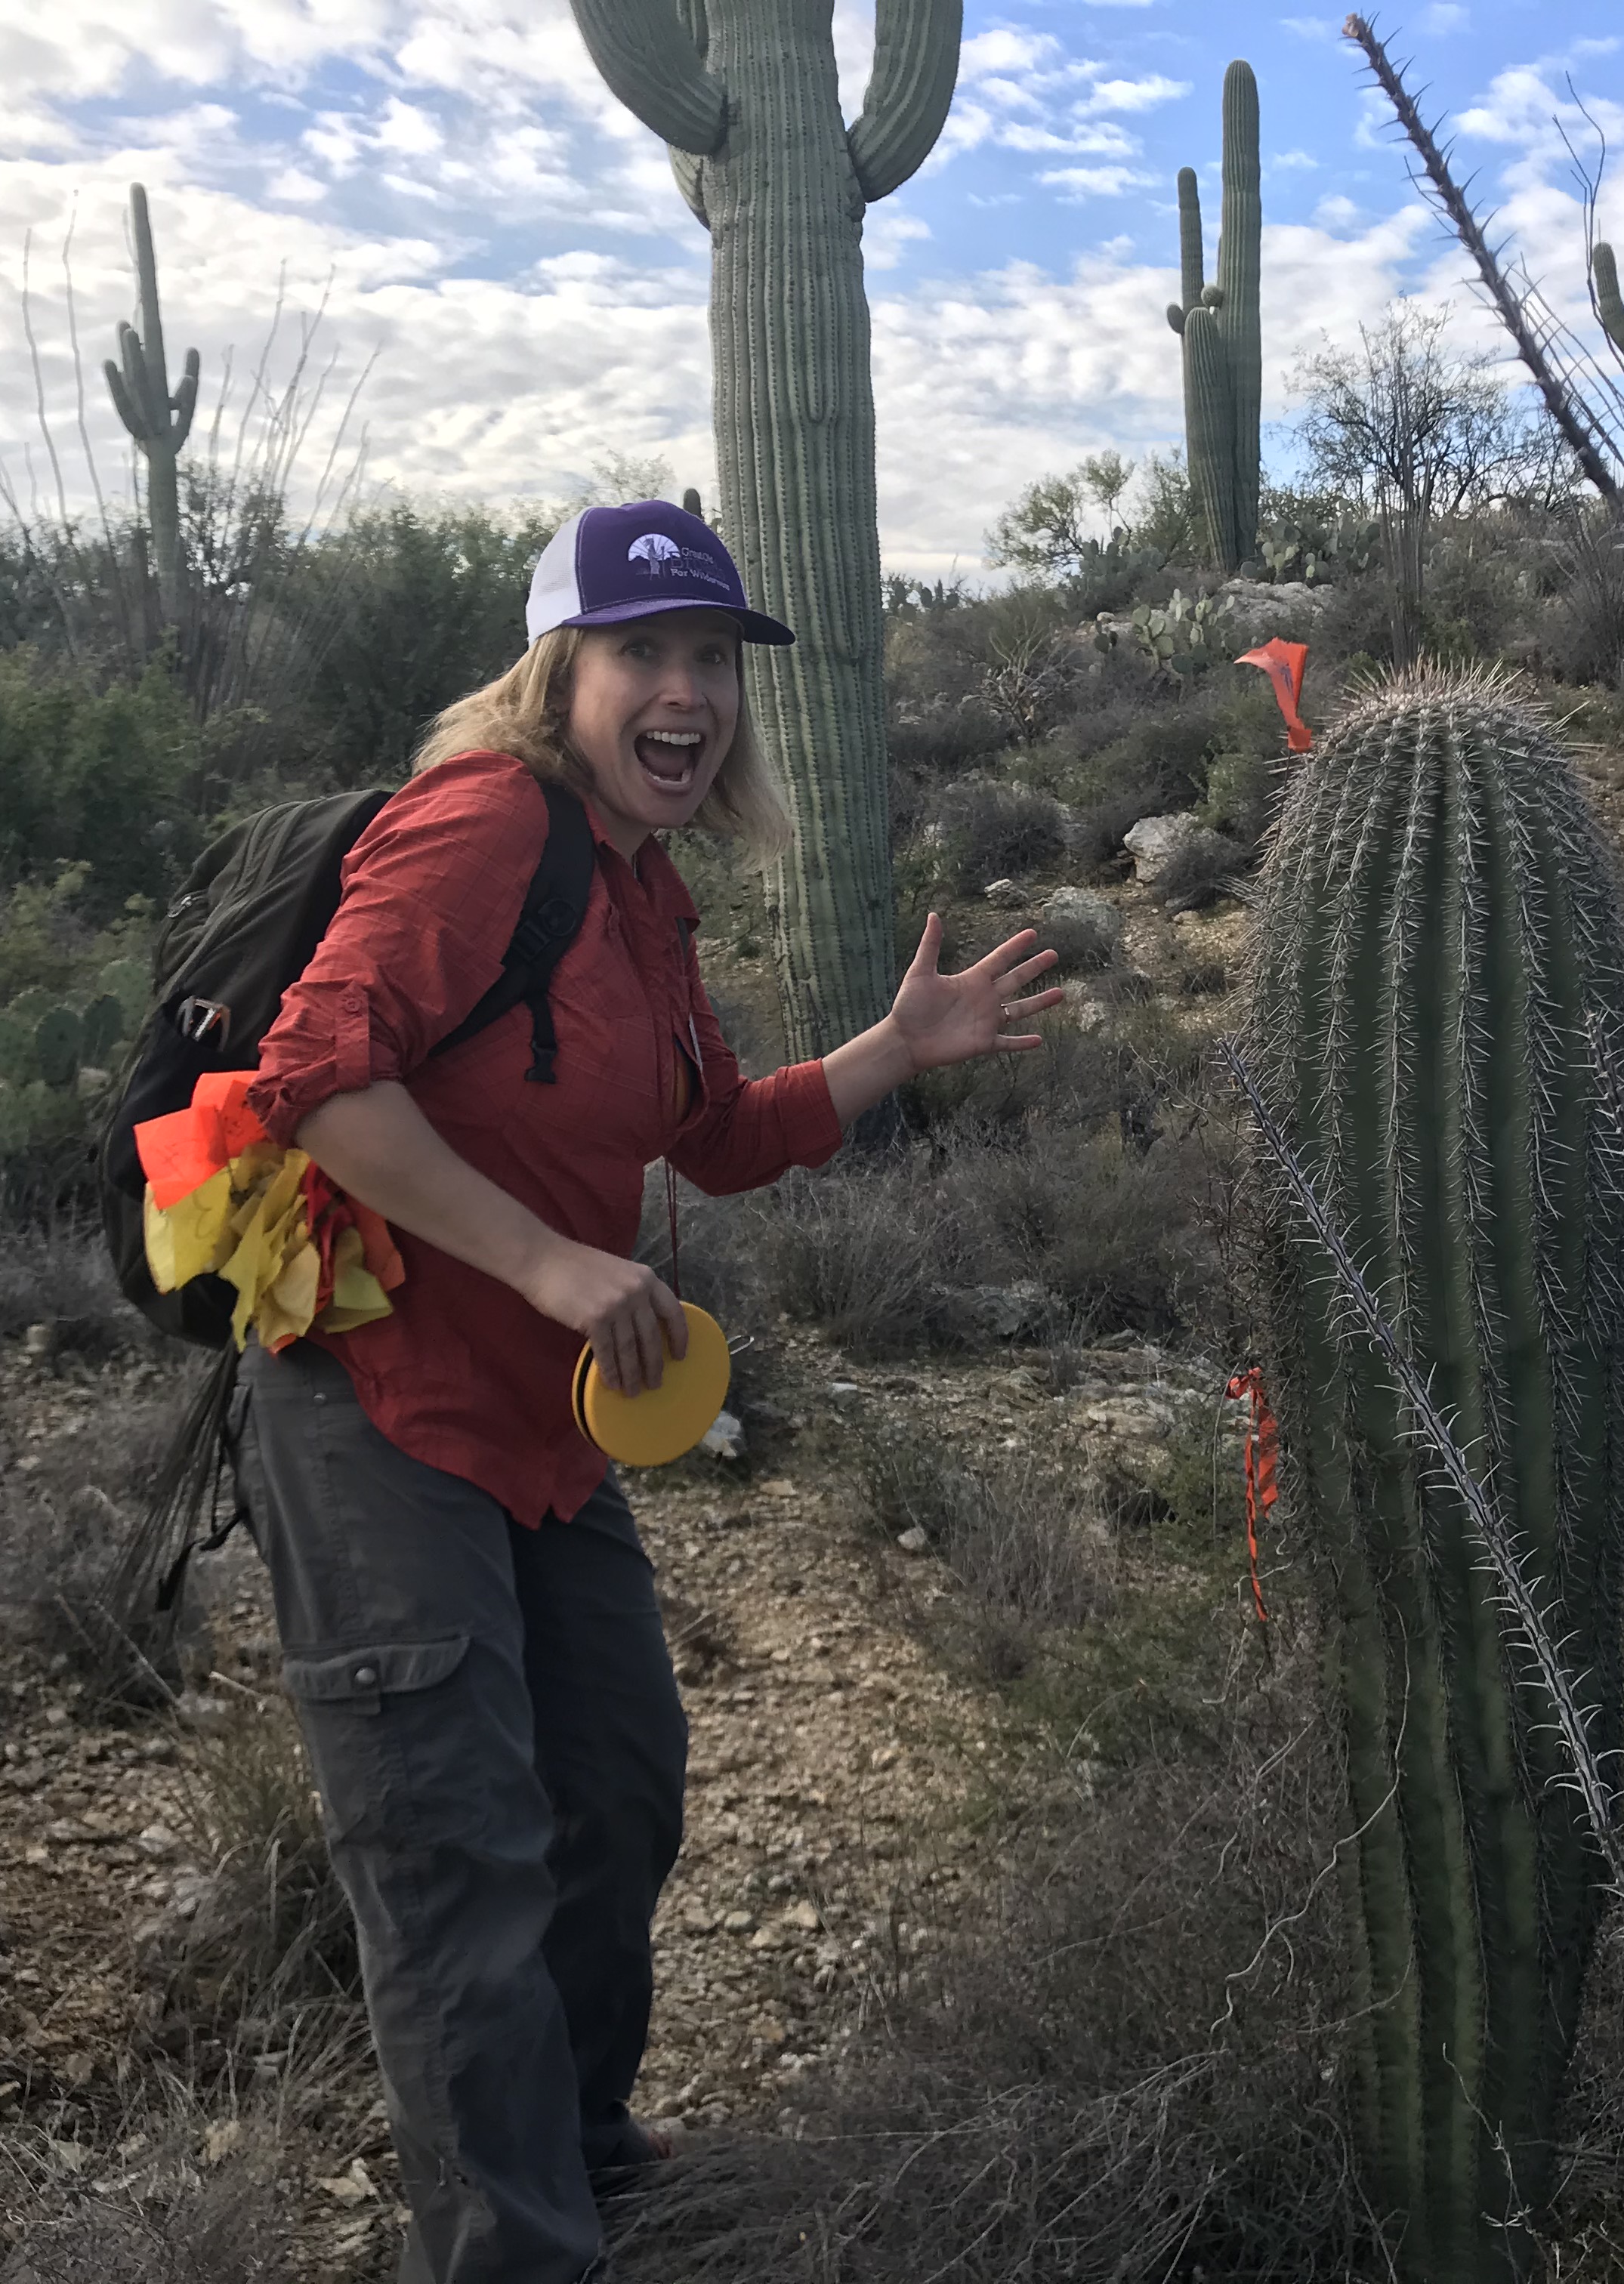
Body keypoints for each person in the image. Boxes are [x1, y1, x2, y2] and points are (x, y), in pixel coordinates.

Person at [234, 498, 1061, 2283]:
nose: (687, 692)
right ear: (560, 675)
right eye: (644, 654)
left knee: (617, 1790)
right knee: (460, 1870)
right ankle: (515, 2250)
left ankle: (581, 2154)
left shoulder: (634, 890)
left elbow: (712, 1135)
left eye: (711, 661)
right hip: (377, 1411)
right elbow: (314, 1076)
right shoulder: (481, 830)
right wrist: (545, 1262)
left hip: (547, 1429)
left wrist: (892, 1053)